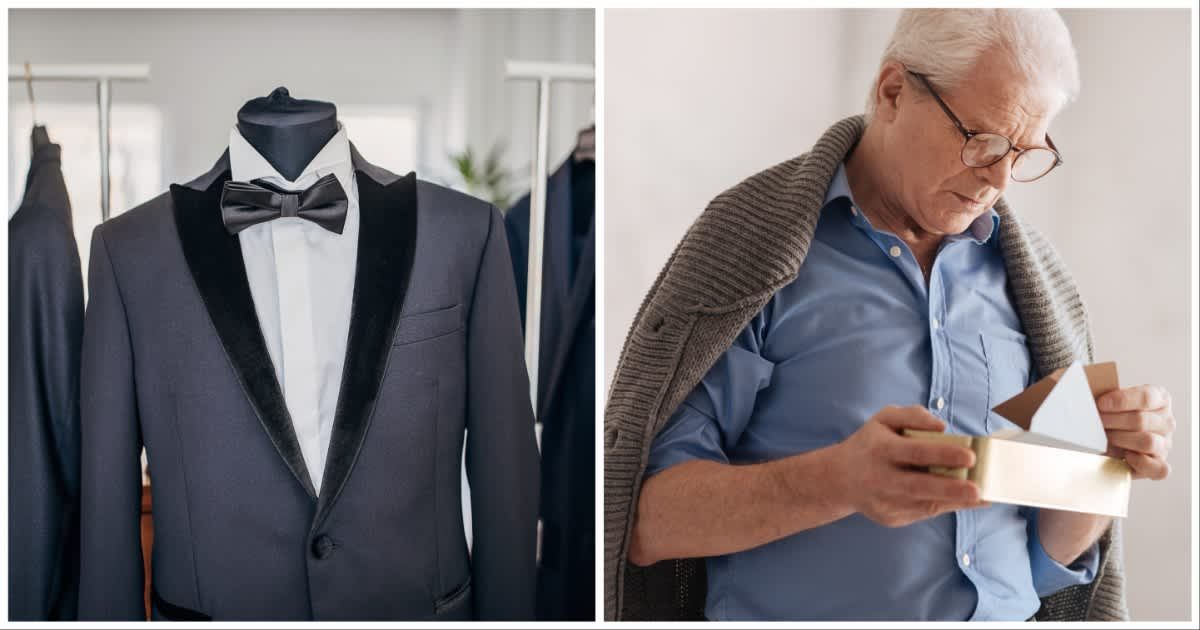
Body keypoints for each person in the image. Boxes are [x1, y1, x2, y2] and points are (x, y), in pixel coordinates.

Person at [605, 8, 1174, 621]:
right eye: (980, 139)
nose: (999, 180)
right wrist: (837, 481)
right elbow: (642, 520)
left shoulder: (1040, 283)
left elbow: (1040, 561)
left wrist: (1102, 465)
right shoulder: (750, 246)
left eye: (1024, 153)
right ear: (894, 90)